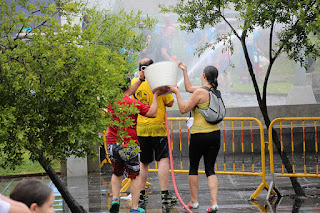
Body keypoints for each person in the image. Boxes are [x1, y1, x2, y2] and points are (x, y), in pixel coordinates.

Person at [107, 70, 163, 213]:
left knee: (116, 172)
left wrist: (141, 80)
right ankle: (134, 208)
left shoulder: (111, 102)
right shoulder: (133, 104)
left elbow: (126, 92)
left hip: (112, 144)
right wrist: (155, 95)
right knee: (134, 176)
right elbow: (153, 113)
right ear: (128, 86)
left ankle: (115, 199)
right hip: (129, 145)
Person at [168, 62, 221, 212]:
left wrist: (176, 93)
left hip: (199, 135)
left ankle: (194, 201)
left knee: (193, 168)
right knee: (210, 169)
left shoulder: (200, 93)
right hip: (215, 134)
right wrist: (185, 71)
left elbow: (184, 109)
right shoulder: (215, 92)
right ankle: (214, 202)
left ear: (204, 76)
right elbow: (189, 88)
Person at [131, 58, 177, 205]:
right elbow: (169, 103)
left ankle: (142, 194)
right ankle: (164, 194)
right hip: (158, 127)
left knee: (144, 163)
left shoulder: (134, 83)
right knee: (162, 159)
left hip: (141, 129)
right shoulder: (158, 83)